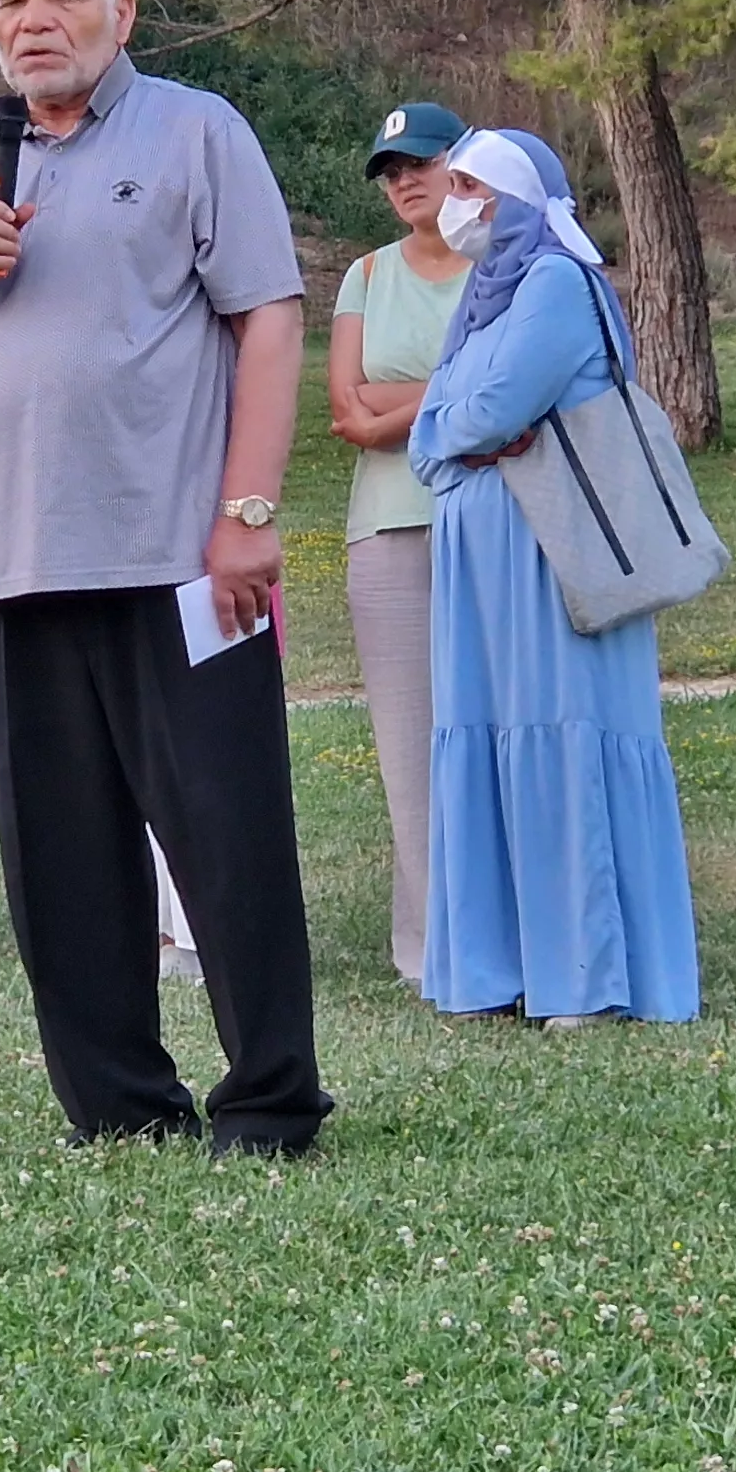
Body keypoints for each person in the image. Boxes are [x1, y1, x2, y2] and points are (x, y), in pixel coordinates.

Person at [0, 0, 332, 1156]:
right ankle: (121, 1106)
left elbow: (269, 322)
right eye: (11, 0)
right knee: (61, 860)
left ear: (121, 14)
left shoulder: (197, 130)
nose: (33, 20)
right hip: (27, 567)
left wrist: (247, 513)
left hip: (179, 562)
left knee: (229, 841)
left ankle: (270, 1103)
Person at [404, 129, 701, 1026]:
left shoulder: (559, 283)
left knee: (560, 731)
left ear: (515, 198)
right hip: (481, 556)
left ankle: (583, 977)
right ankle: (504, 970)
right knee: (491, 734)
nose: (457, 205)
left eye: (470, 187)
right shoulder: (483, 299)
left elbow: (495, 405)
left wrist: (458, 428)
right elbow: (434, 428)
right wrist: (461, 435)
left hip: (546, 554)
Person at [325, 99, 468, 990]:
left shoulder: (509, 267)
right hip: (387, 530)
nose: (404, 179)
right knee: (408, 746)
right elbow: (350, 415)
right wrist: (462, 383)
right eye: (389, 169)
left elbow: (531, 386)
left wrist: (408, 397)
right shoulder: (367, 278)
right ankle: (427, 953)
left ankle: (503, 928)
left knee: (488, 730)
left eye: (419, 160)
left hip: (493, 521)